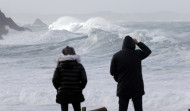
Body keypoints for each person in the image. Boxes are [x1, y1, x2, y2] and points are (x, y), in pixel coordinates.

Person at [110, 36, 151, 111]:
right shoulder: (137, 54)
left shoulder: (116, 56)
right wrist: (138, 43)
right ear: (133, 44)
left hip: (123, 87)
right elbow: (148, 51)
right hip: (137, 88)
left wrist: (119, 80)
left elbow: (112, 72)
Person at [52, 46, 87, 111]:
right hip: (76, 92)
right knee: (77, 109)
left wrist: (59, 88)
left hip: (63, 92)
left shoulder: (59, 66)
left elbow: (54, 80)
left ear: (63, 54)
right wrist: (80, 88)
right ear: (74, 53)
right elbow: (84, 80)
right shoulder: (79, 65)